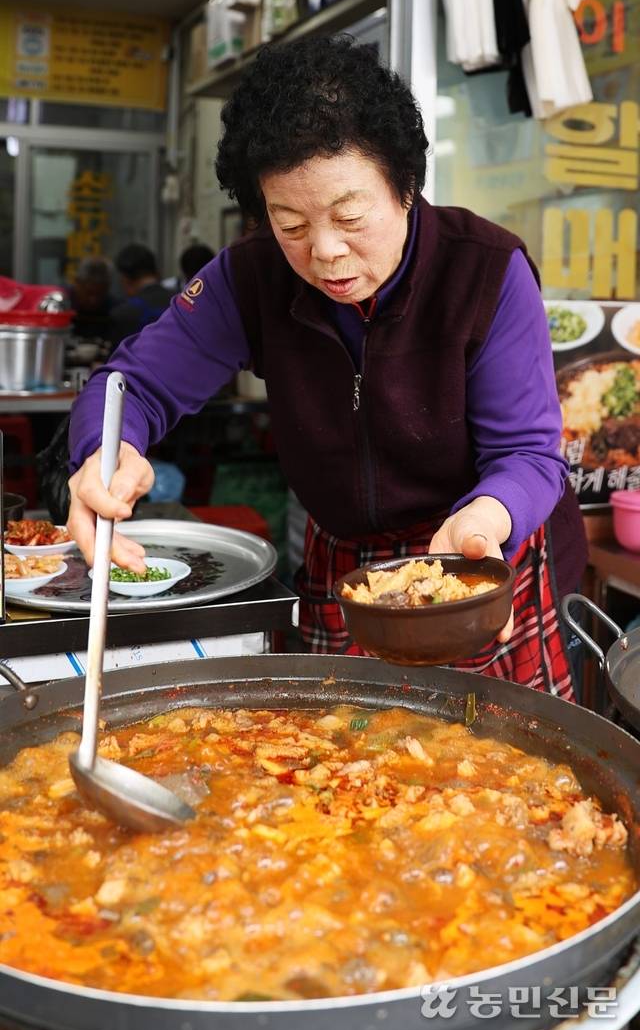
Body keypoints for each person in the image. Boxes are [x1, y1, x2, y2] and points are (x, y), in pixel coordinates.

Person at [66, 35, 588, 699]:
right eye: (290, 223)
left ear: (405, 184)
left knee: (495, 779)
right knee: (335, 772)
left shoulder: (484, 269)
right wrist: (105, 452)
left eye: (349, 215)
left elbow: (529, 455)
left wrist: (485, 521)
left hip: (479, 554)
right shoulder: (249, 280)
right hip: (345, 565)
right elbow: (130, 385)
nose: (326, 252)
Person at [107, 243, 173, 348]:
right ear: (157, 273)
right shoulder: (181, 303)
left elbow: (117, 362)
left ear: (125, 279)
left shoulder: (123, 314)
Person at [66, 256, 114, 340]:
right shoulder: (63, 306)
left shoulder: (114, 310)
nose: (93, 300)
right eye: (89, 293)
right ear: (77, 283)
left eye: (100, 294)